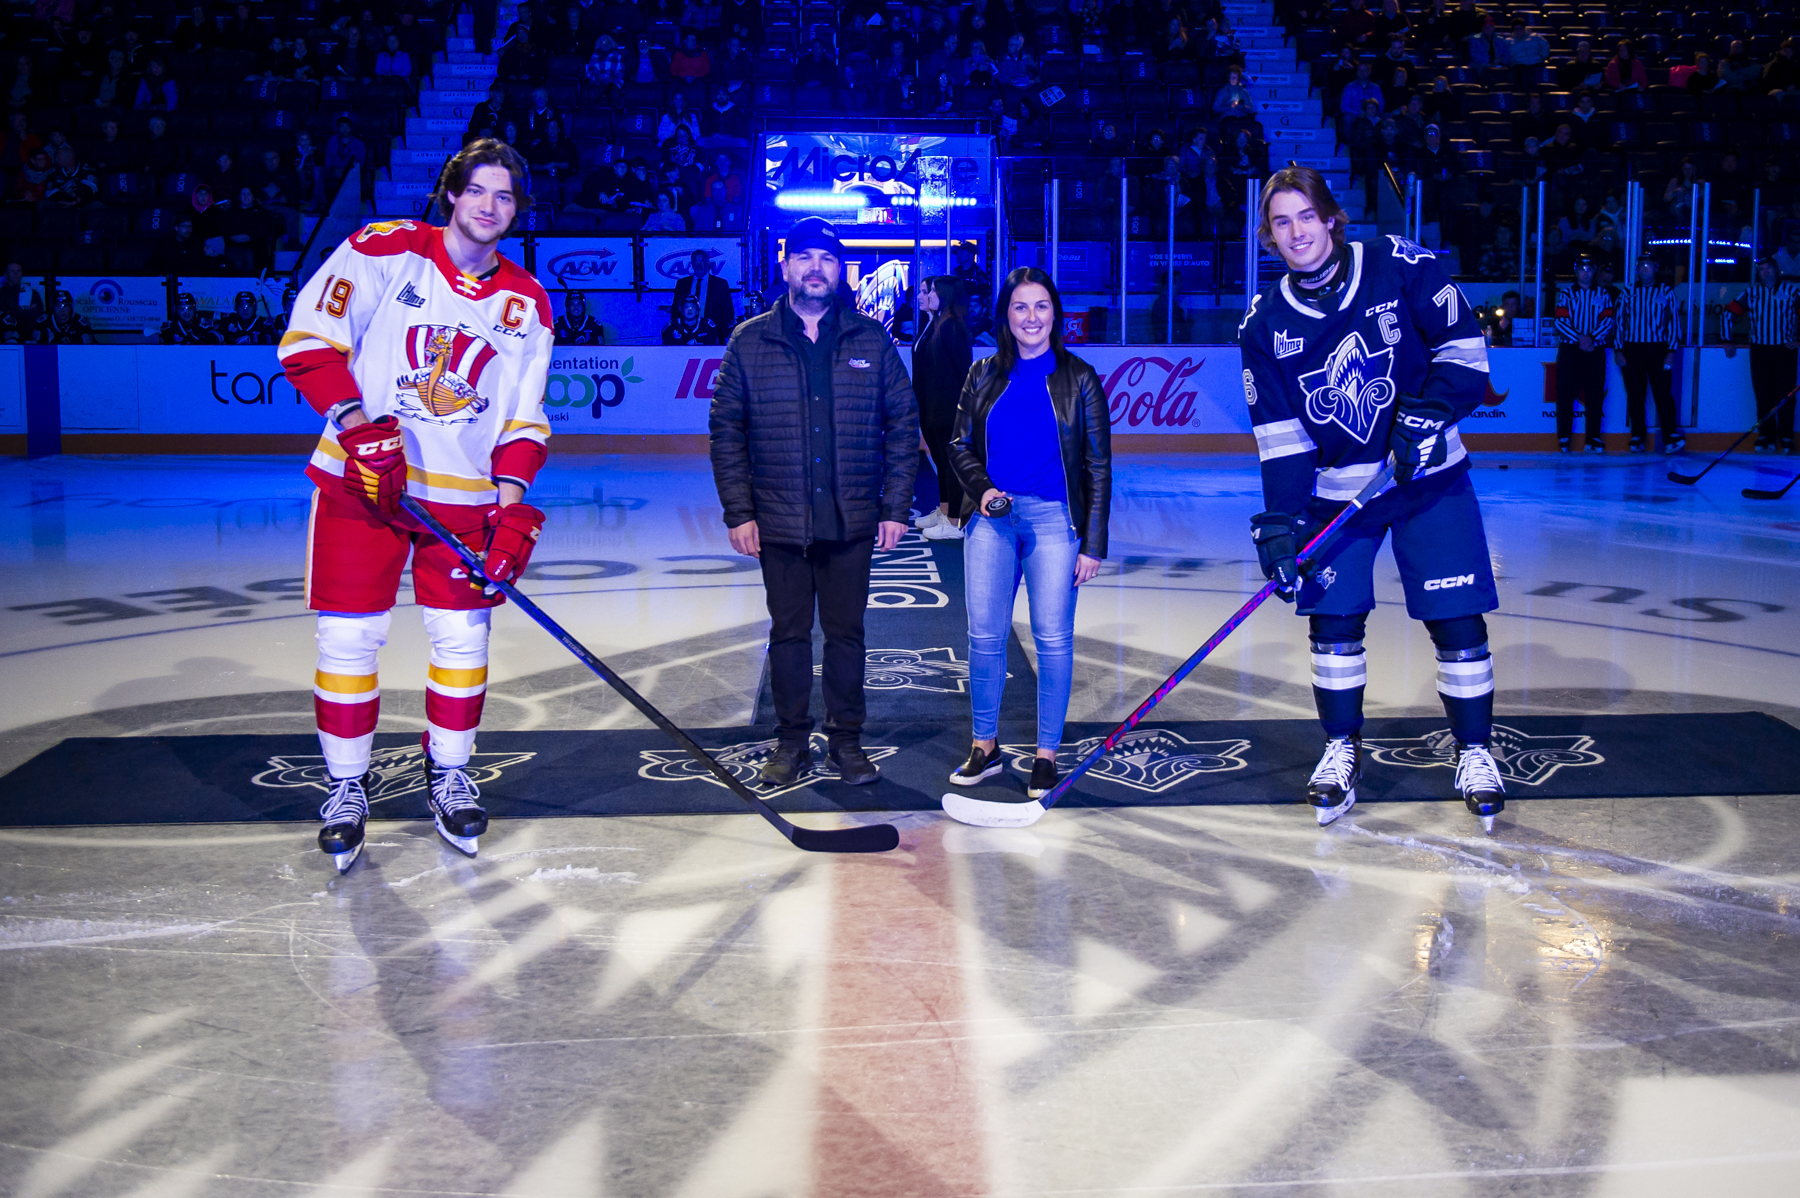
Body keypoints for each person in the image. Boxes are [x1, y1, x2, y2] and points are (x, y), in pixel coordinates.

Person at [275, 140, 555, 871]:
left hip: (460, 502)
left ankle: (450, 771)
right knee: (348, 643)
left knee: (463, 645)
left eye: (506, 198)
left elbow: (524, 416)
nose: (491, 208)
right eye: (479, 192)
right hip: (359, 486)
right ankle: (344, 786)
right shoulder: (385, 248)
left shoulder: (526, 301)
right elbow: (309, 340)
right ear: (451, 194)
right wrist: (357, 425)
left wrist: (512, 504)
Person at [1238, 166, 1505, 831]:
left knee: (1456, 619)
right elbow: (1282, 440)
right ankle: (1339, 748)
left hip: (1427, 479)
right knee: (1332, 623)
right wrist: (1281, 526)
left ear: (1330, 217)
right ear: (1269, 236)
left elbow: (1465, 350)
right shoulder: (1264, 326)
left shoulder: (1396, 264)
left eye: (1307, 216)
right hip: (1339, 497)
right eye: (1281, 222)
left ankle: (1474, 752)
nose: (1297, 232)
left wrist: (1431, 411)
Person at [707, 217, 919, 788]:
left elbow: (903, 425)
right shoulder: (749, 340)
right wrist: (740, 512)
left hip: (850, 518)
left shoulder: (870, 339)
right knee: (789, 636)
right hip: (778, 521)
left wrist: (895, 506)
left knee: (848, 635)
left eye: (827, 258)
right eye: (804, 257)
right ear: (786, 268)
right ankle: (791, 741)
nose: (815, 268)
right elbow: (726, 431)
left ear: (842, 271)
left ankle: (846, 742)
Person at [945, 267, 1110, 801]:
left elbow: (1098, 467)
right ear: (1006, 316)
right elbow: (958, 445)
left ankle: (1045, 754)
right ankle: (985, 746)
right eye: (1021, 307)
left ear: (1055, 314)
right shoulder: (981, 375)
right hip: (992, 519)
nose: (1032, 317)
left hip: (1054, 523)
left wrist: (1093, 543)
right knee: (985, 637)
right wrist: (984, 491)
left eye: (1042, 306)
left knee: (1053, 638)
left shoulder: (1080, 378)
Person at [912, 276, 973, 541]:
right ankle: (946, 511)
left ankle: (955, 519)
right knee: (941, 461)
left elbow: (962, 372)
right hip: (933, 407)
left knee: (950, 464)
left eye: (934, 291)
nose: (929, 295)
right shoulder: (936, 324)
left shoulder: (951, 327)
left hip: (948, 409)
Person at [1722, 256, 1800, 453]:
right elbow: (1727, 314)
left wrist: (1799, 340)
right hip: (1760, 350)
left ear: (1777, 271)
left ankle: (1786, 436)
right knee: (1763, 395)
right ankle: (1766, 435)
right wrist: (1727, 340)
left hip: (1785, 350)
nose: (1765, 272)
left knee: (1786, 396)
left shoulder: (1792, 292)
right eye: (1761, 269)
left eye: (1768, 268)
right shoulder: (1752, 293)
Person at [1613, 256, 1683, 455]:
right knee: (1635, 393)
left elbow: (1674, 324)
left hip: (1658, 349)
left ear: (1655, 268)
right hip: (1632, 348)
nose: (1644, 269)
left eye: (1648, 265)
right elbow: (1619, 322)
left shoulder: (1666, 292)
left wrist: (1671, 351)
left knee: (1663, 394)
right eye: (1641, 266)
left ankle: (1670, 435)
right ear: (1637, 270)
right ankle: (1638, 435)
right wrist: (1618, 350)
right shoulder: (1627, 292)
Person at [1552, 251, 1616, 452]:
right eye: (1582, 269)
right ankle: (1564, 437)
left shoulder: (1603, 295)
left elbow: (1608, 320)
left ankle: (1593, 438)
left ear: (1594, 271)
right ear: (1576, 271)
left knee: (1595, 394)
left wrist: (1592, 339)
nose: (1585, 273)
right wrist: (1581, 339)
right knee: (1565, 394)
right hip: (1571, 349)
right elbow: (1560, 321)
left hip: (1594, 350)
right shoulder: (1566, 294)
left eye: (1589, 269)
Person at [666, 248, 734, 345]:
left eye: (702, 261)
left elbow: (728, 312)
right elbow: (676, 311)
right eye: (696, 261)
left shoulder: (720, 284)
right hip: (685, 338)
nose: (699, 265)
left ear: (708, 263)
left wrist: (719, 334)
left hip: (712, 338)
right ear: (692, 264)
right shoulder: (682, 284)